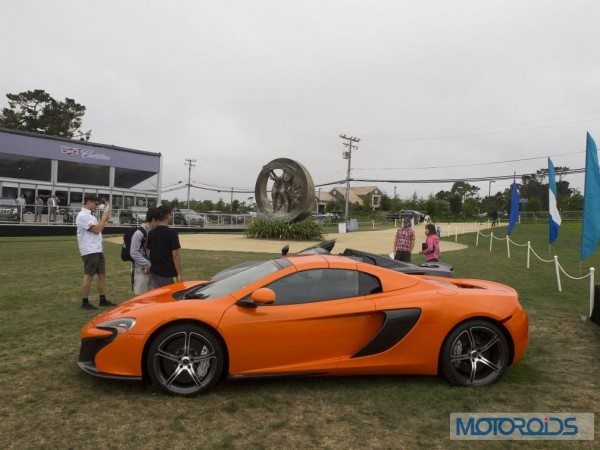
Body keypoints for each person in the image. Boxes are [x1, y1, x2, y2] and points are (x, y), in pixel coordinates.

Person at [76, 194, 116, 310]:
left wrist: (104, 219)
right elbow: (97, 230)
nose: (97, 206)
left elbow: (99, 228)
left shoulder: (91, 216)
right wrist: (103, 218)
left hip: (97, 248)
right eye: (96, 204)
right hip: (89, 250)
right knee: (89, 275)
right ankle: (85, 301)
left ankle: (102, 299)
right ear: (88, 202)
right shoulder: (82, 216)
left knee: (102, 275)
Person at [146, 205, 183, 289]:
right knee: (168, 298)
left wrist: (148, 267)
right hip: (168, 273)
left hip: (154, 272)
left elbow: (149, 252)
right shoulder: (172, 233)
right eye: (171, 215)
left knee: (156, 298)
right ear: (168, 216)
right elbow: (175, 254)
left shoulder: (151, 233)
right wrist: (179, 274)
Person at [130, 207, 157, 294]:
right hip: (141, 270)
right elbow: (133, 252)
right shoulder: (139, 233)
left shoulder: (155, 231)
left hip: (152, 270)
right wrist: (148, 264)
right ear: (153, 219)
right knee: (140, 298)